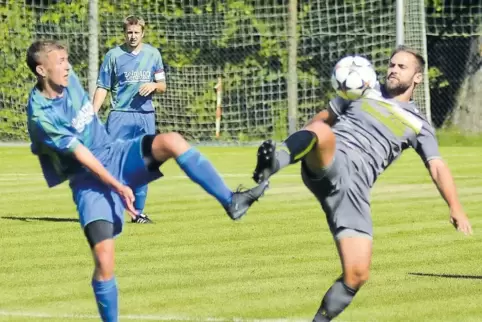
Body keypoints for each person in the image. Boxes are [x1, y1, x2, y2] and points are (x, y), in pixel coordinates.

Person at [26, 39, 268, 322]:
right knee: (104, 261)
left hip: (114, 153)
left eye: (67, 59)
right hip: (88, 180)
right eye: (60, 62)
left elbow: (93, 106)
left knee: (172, 141)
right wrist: (118, 186)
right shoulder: (41, 114)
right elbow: (81, 155)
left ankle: (231, 201)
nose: (67, 66)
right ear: (42, 70)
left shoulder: (69, 80)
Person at [251, 46, 472, 321]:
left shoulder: (419, 124)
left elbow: (437, 166)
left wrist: (455, 206)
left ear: (417, 78)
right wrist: (290, 148)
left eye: (402, 67)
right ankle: (273, 162)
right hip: (334, 160)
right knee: (322, 131)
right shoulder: (361, 90)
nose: (393, 69)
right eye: (392, 64)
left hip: (354, 190)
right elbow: (321, 120)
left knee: (357, 273)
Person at [92, 15, 166, 223]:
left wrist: (153, 86)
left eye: (136, 32)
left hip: (145, 117)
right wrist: (92, 112)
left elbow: (162, 85)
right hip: (119, 117)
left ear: (143, 33)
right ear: (124, 33)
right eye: (129, 32)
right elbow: (103, 87)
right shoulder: (113, 56)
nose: (133, 36)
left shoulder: (153, 54)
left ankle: (138, 213)